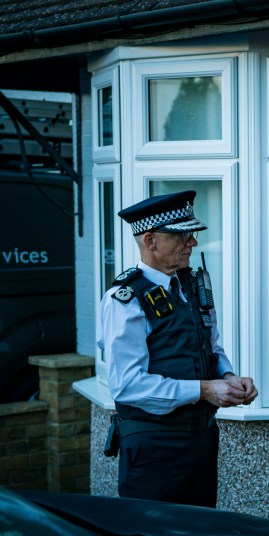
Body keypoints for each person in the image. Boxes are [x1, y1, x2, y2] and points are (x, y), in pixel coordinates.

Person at [97, 190, 257, 508]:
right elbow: (127, 385)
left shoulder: (189, 285)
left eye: (192, 234)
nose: (192, 243)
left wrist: (228, 376)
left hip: (199, 441)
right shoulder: (125, 300)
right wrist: (205, 390)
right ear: (150, 241)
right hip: (154, 446)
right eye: (182, 235)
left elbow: (210, 346)